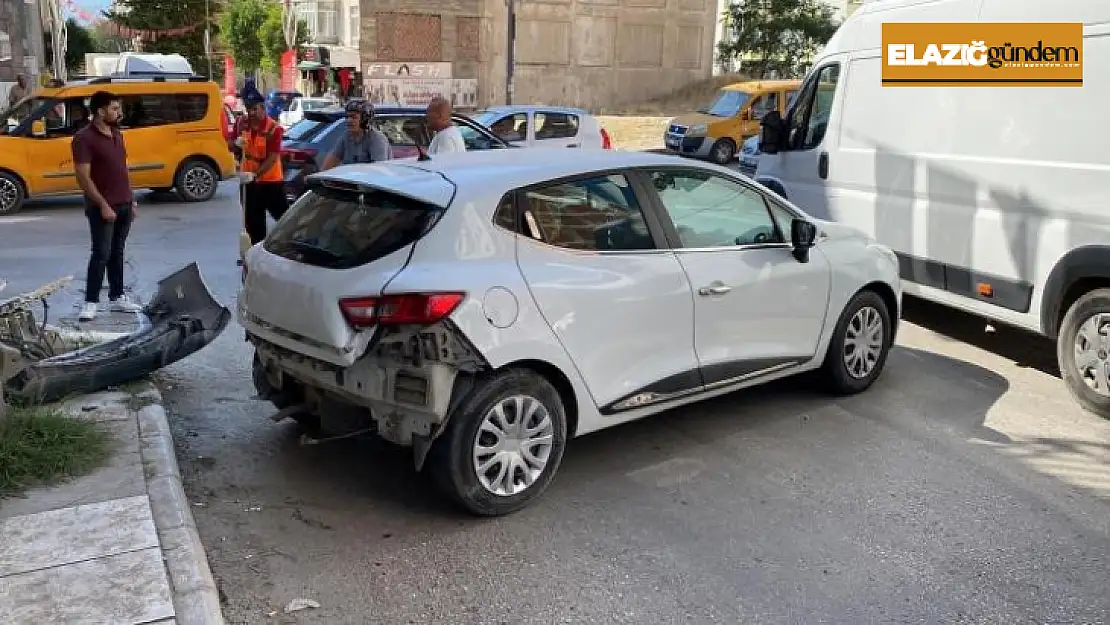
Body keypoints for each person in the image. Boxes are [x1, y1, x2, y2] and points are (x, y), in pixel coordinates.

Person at [72, 91, 143, 322]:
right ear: (100, 111)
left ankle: (117, 296)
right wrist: (102, 204)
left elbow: (122, 170)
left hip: (123, 203)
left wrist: (131, 200)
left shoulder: (116, 134)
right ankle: (90, 301)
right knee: (101, 253)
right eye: (114, 108)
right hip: (102, 207)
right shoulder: (84, 138)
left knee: (117, 253)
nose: (119, 113)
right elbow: (83, 177)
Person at [237, 85, 288, 245]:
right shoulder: (242, 123)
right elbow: (231, 144)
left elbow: (272, 158)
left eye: (254, 109)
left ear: (262, 107)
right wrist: (234, 144)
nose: (251, 113)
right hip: (248, 184)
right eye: (248, 109)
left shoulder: (274, 129)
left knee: (284, 219)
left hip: (270, 183)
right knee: (253, 224)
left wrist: (255, 175)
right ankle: (254, 254)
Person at [321, 101, 392, 170]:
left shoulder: (377, 139)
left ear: (365, 120)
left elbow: (379, 170)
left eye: (354, 117)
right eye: (347, 117)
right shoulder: (346, 137)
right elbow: (331, 161)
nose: (349, 120)